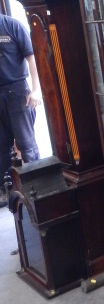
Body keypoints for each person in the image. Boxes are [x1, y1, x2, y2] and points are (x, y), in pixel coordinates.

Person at [0, 13, 42, 201]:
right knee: (1, 149)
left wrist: (36, 89)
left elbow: (31, 57)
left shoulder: (12, 26)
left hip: (16, 92)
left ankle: (39, 190)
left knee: (27, 145)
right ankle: (9, 195)